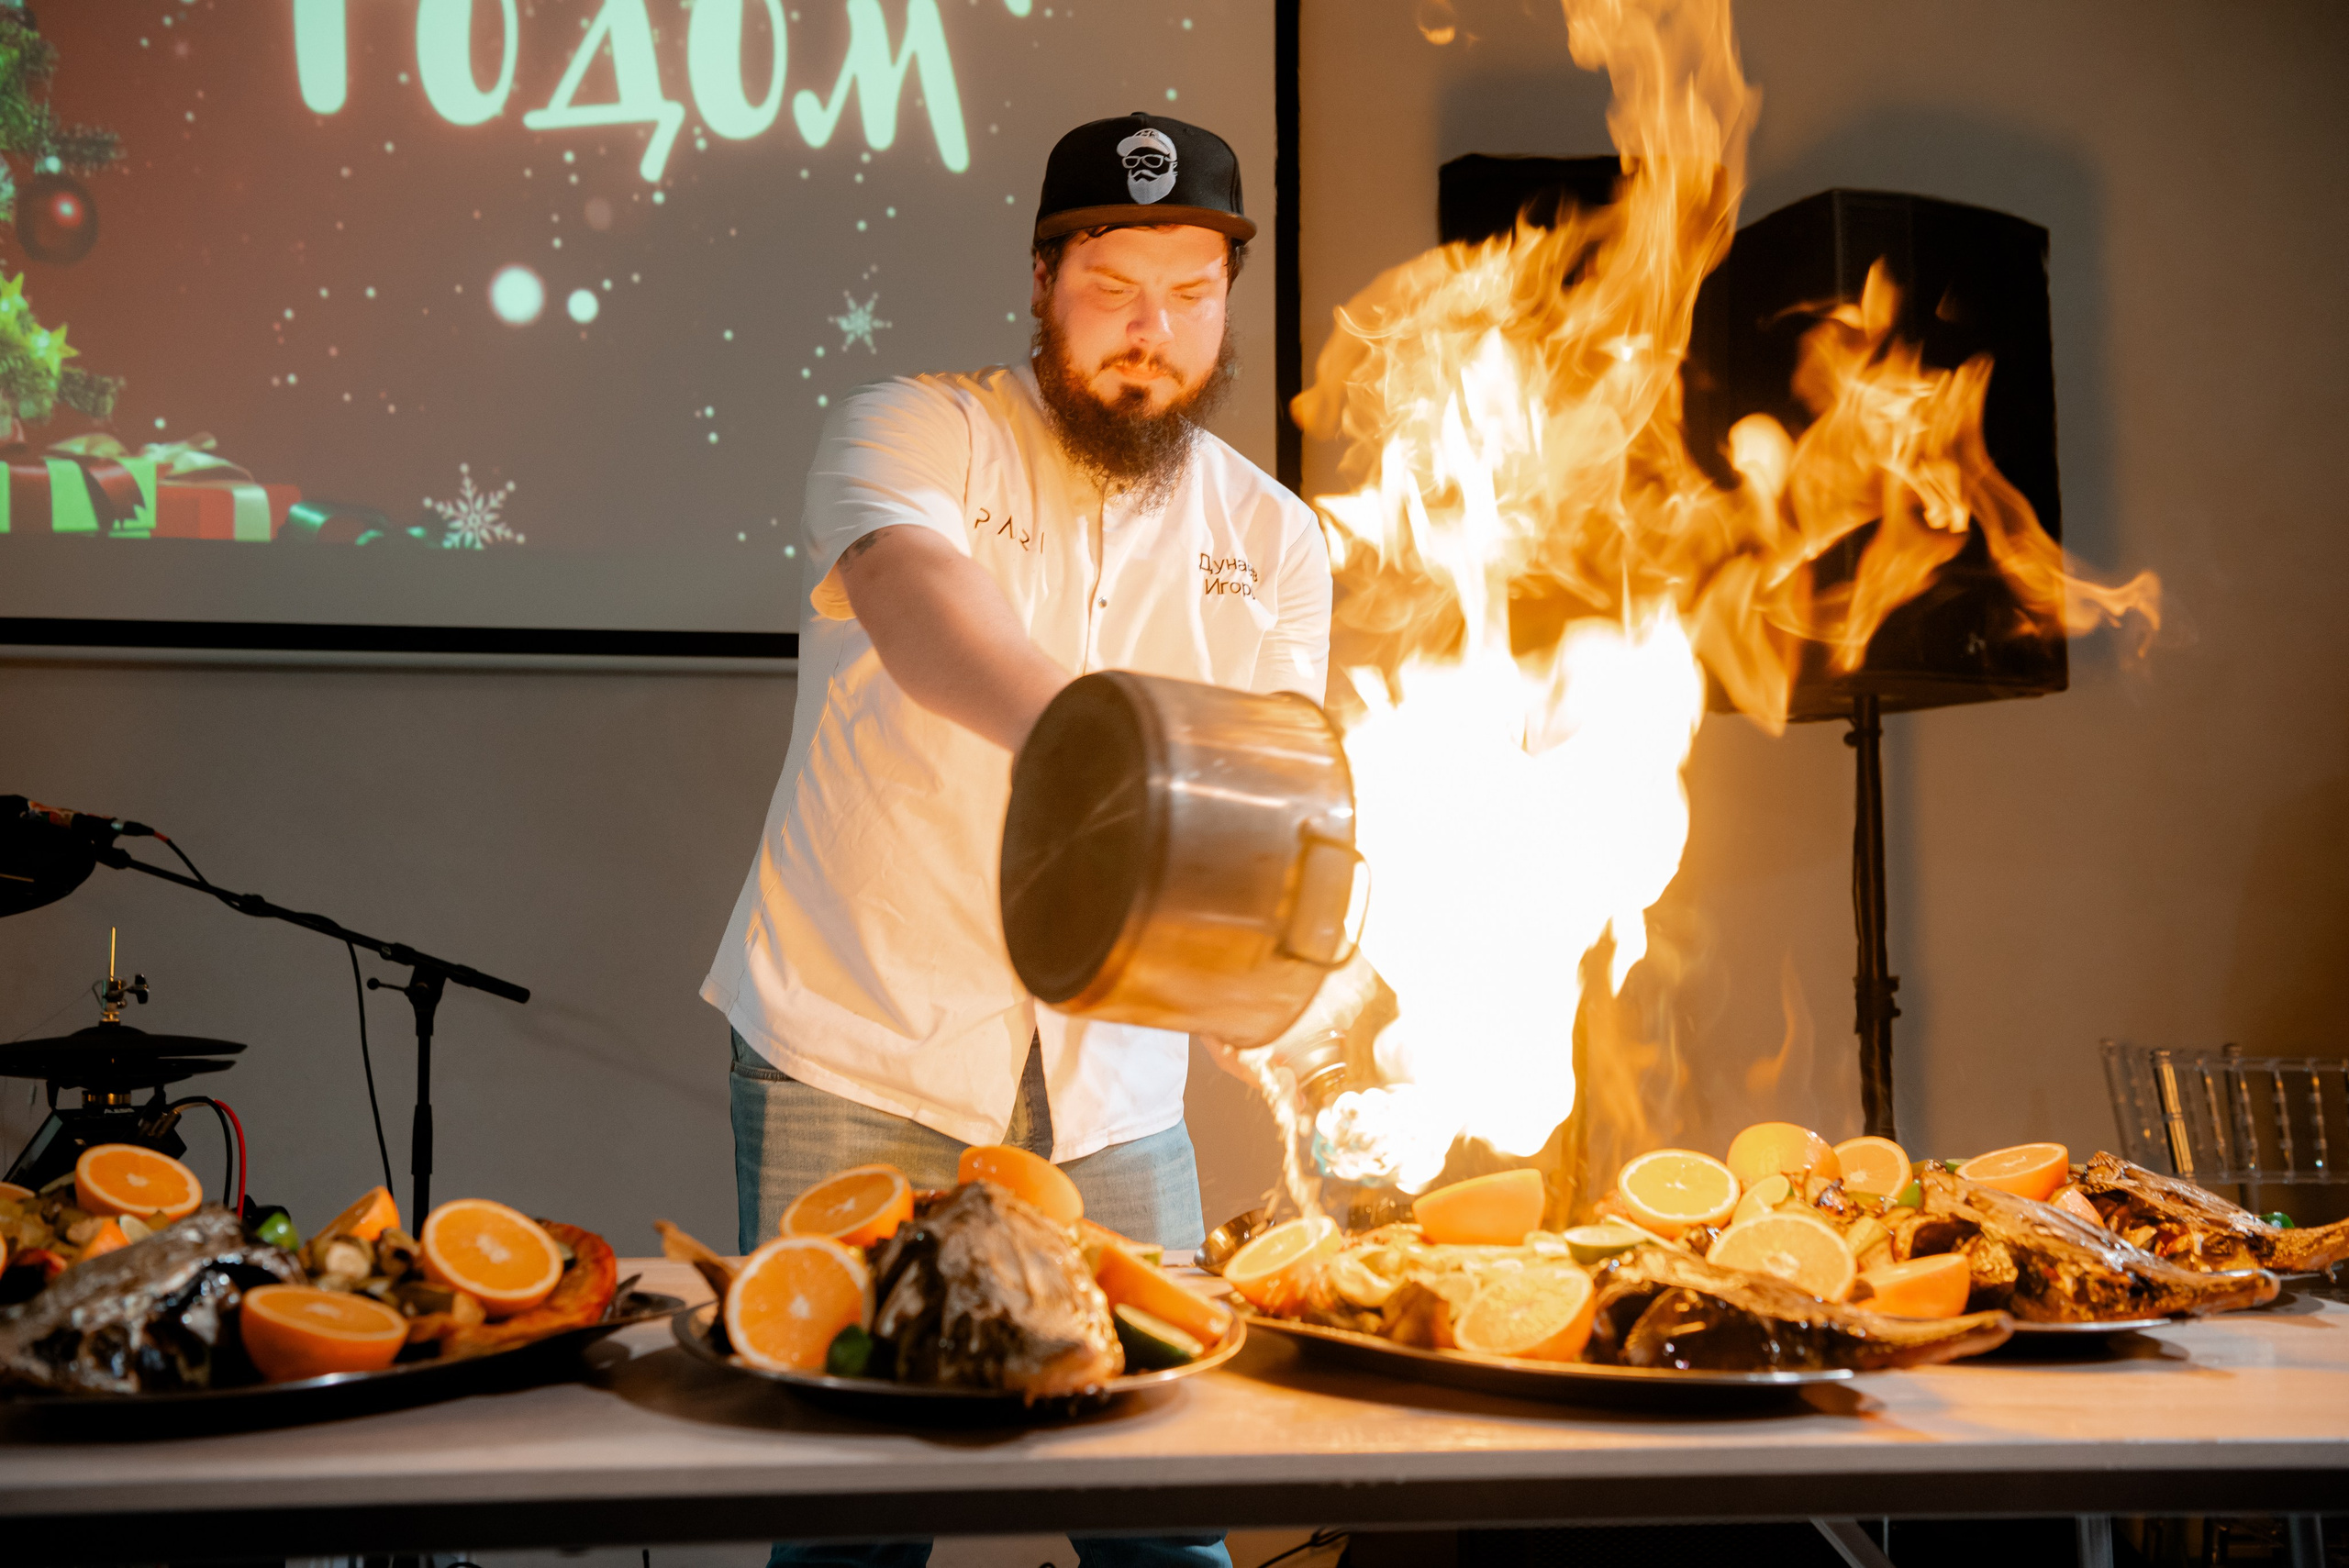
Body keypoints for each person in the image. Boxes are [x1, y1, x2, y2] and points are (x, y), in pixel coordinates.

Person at [702, 113, 1331, 1568]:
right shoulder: (910, 427)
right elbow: (929, 623)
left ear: (1227, 302)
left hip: (1116, 1086)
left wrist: (1280, 992)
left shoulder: (1279, 538)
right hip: (858, 1044)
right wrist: (1122, 756)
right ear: (1045, 279)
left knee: (1161, 1520)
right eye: (1114, 285)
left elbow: (1267, 827)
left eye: (1190, 292)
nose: (1150, 331)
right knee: (850, 1510)